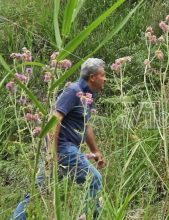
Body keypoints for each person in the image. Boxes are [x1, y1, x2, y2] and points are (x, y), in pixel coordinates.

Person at [53, 58, 107, 220]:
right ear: (92, 77)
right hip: (63, 148)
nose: (105, 79)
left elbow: (86, 125)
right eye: (103, 75)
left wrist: (95, 151)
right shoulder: (73, 91)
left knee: (40, 190)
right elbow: (55, 119)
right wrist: (52, 152)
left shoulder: (86, 97)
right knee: (94, 179)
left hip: (67, 149)